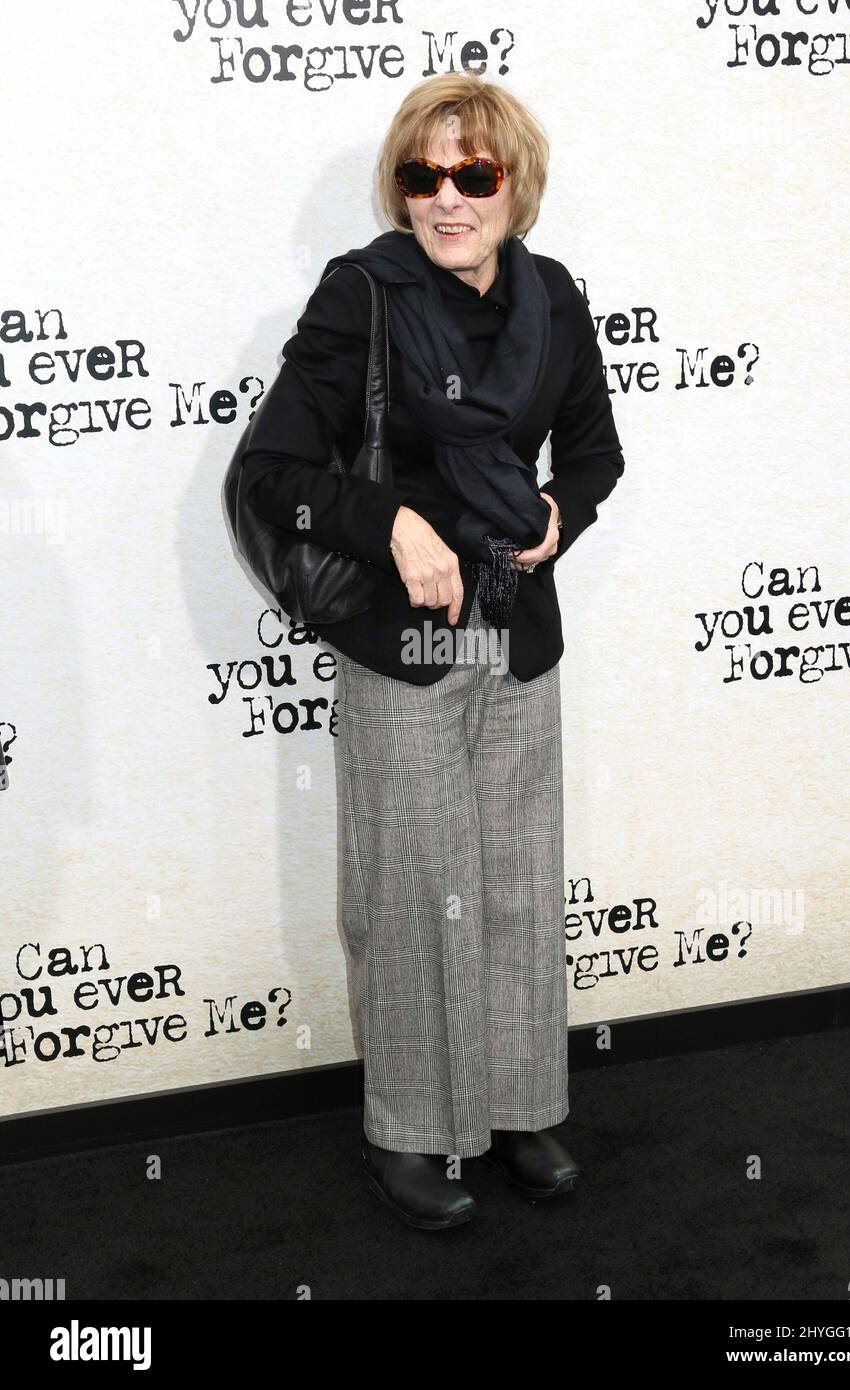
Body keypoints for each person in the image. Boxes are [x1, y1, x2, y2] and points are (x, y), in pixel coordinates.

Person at [241, 72, 627, 1231]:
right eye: (423, 175)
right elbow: (273, 473)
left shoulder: (552, 299)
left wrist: (563, 511)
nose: (446, 199)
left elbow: (596, 453)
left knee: (511, 887)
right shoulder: (359, 297)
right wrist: (394, 521)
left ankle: (515, 1106)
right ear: (399, 188)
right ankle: (407, 1131)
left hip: (517, 638)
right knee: (415, 896)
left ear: (515, 186)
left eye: (473, 174)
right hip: (400, 649)